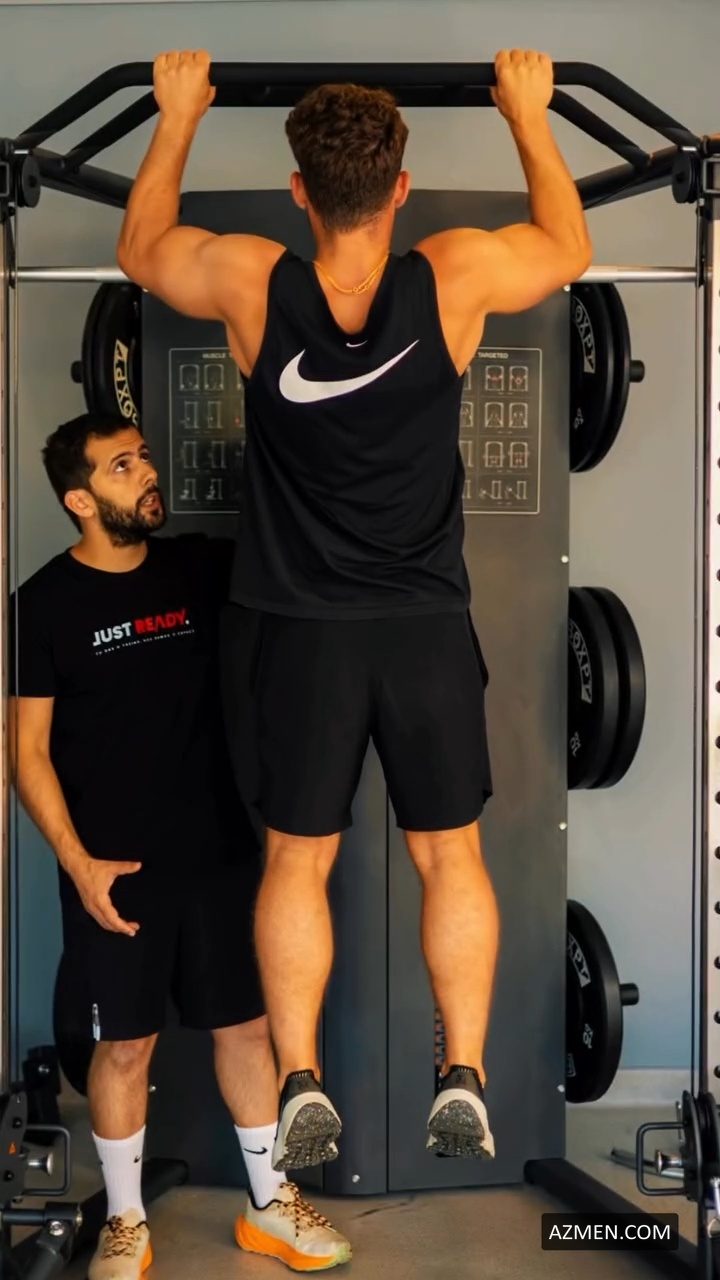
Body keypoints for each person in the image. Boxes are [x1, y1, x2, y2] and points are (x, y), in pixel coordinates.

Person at [115, 46, 593, 1173]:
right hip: (423, 626)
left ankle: (299, 1078)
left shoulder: (252, 283)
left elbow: (140, 249)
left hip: (298, 629)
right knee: (450, 853)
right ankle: (462, 1069)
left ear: (299, 191)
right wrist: (528, 114)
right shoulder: (453, 274)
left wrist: (177, 114)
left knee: (296, 860)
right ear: (399, 185)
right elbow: (568, 246)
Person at [9, 413, 351, 1278]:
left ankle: (270, 1205)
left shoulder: (199, 568)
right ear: (80, 499)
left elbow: (299, 556)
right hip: (114, 870)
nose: (146, 472)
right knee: (124, 1047)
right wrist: (78, 865)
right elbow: (27, 753)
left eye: (145, 457)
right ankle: (125, 1222)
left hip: (221, 851)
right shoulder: (40, 604)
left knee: (248, 1029)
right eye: (122, 466)